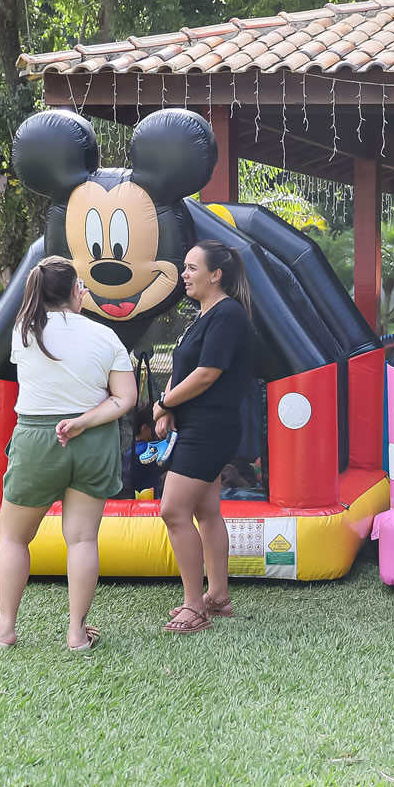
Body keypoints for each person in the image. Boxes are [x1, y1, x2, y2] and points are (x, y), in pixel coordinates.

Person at [0, 256, 136, 651]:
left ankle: (5, 628)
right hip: (93, 442)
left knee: (14, 538)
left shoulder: (23, 332)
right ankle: (77, 633)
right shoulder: (105, 335)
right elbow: (125, 398)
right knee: (82, 540)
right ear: (76, 290)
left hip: (37, 440)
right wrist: (82, 422)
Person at [152, 240, 255, 633]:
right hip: (199, 424)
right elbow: (186, 370)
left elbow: (207, 373)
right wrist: (169, 409)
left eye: (192, 268)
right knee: (206, 510)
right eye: (185, 267)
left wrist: (164, 403)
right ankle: (218, 597)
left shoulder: (227, 314)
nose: (184, 274)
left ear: (216, 275)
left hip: (210, 429)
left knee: (172, 510)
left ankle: (194, 607)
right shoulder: (204, 315)